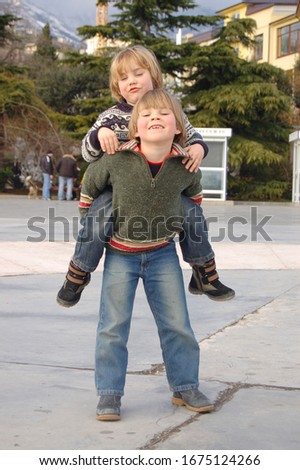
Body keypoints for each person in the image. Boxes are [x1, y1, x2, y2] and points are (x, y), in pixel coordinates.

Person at [56, 45, 234, 308]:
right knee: (101, 210)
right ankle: (79, 271)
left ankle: (203, 271)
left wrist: (198, 146)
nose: (131, 81)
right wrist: (99, 135)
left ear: (154, 75)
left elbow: (191, 134)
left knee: (192, 213)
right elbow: (87, 153)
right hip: (120, 190)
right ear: (118, 86)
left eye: (138, 74)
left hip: (162, 186)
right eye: (124, 78)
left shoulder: (170, 109)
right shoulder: (111, 117)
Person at [80, 88, 215, 420]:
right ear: (135, 128)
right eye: (147, 114)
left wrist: (198, 147)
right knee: (112, 326)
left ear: (179, 127)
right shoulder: (119, 157)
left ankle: (185, 386)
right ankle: (109, 394)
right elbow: (91, 186)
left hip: (162, 253)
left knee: (178, 324)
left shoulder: (183, 164)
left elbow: (192, 202)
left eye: (164, 114)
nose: (155, 117)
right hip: (120, 254)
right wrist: (94, 222)